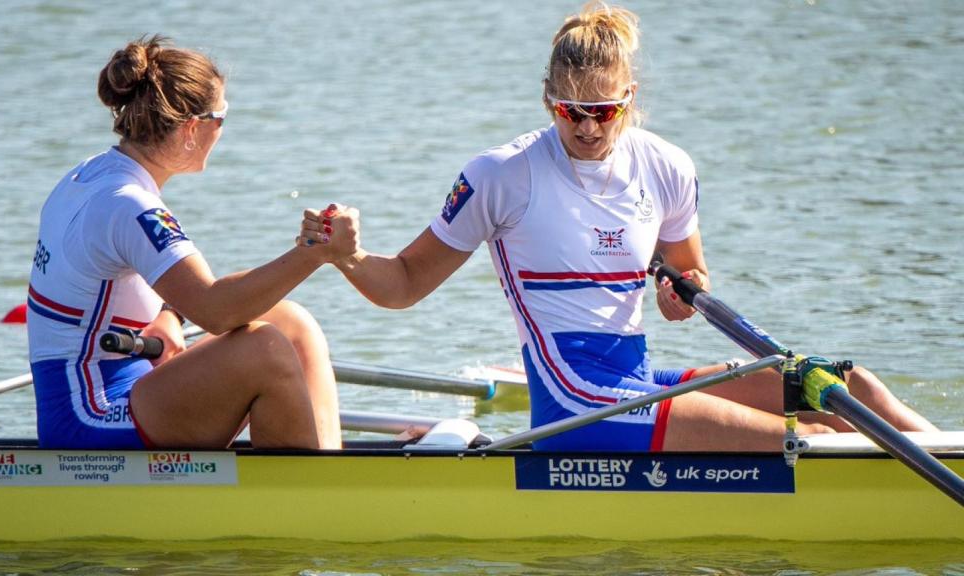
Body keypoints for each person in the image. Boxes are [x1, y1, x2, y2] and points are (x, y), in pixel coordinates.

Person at [296, 3, 937, 452]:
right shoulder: (502, 175)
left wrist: (679, 292)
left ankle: (941, 458)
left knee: (849, 390)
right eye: (572, 110)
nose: (588, 127)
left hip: (636, 379)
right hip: (574, 400)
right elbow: (404, 284)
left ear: (628, 99)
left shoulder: (667, 167)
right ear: (549, 97)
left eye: (604, 110)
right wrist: (346, 258)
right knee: (809, 439)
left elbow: (692, 272)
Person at [27, 36, 345, 450]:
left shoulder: (91, 175)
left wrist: (169, 314)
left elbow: (176, 289)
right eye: (223, 117)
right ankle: (308, 500)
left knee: (291, 323)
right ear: (194, 128)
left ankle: (328, 470)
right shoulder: (130, 205)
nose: (224, 131)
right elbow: (215, 310)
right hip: (90, 414)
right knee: (265, 349)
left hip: (125, 383)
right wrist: (316, 251)